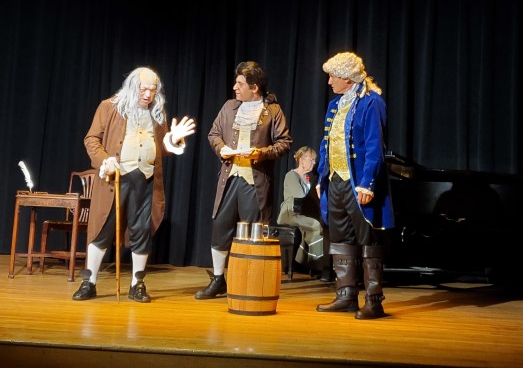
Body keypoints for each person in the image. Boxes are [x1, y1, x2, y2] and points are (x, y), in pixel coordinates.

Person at [72, 66, 196, 303]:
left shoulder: (157, 113)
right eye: (143, 89)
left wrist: (173, 139)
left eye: (152, 90)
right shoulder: (109, 107)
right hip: (115, 179)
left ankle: (137, 284)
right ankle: (89, 282)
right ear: (132, 87)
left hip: (146, 180)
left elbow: (161, 147)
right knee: (102, 230)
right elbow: (92, 139)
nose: (148, 95)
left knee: (141, 232)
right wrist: (104, 160)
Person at [195, 61, 292, 299]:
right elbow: (214, 133)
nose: (235, 87)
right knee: (220, 227)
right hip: (230, 177)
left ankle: (251, 280)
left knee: (253, 231)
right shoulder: (229, 107)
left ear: (254, 87)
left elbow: (284, 143)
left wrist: (261, 153)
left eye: (240, 84)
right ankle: (218, 279)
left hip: (254, 180)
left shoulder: (273, 111)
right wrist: (221, 148)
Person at [315, 52, 394, 320]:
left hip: (358, 182)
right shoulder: (335, 105)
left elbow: (374, 146)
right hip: (335, 181)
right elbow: (326, 144)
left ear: (347, 78)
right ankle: (346, 295)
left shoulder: (372, 102)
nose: (329, 82)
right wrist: (322, 177)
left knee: (368, 239)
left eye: (333, 77)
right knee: (340, 239)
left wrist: (367, 184)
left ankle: (374, 300)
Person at [277, 146, 332, 279]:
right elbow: (300, 195)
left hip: (301, 213)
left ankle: (316, 264)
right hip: (290, 213)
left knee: (320, 226)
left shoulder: (308, 177)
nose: (314, 163)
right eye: (311, 160)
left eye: (315, 160)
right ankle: (311, 262)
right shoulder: (291, 175)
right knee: (315, 225)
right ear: (301, 160)